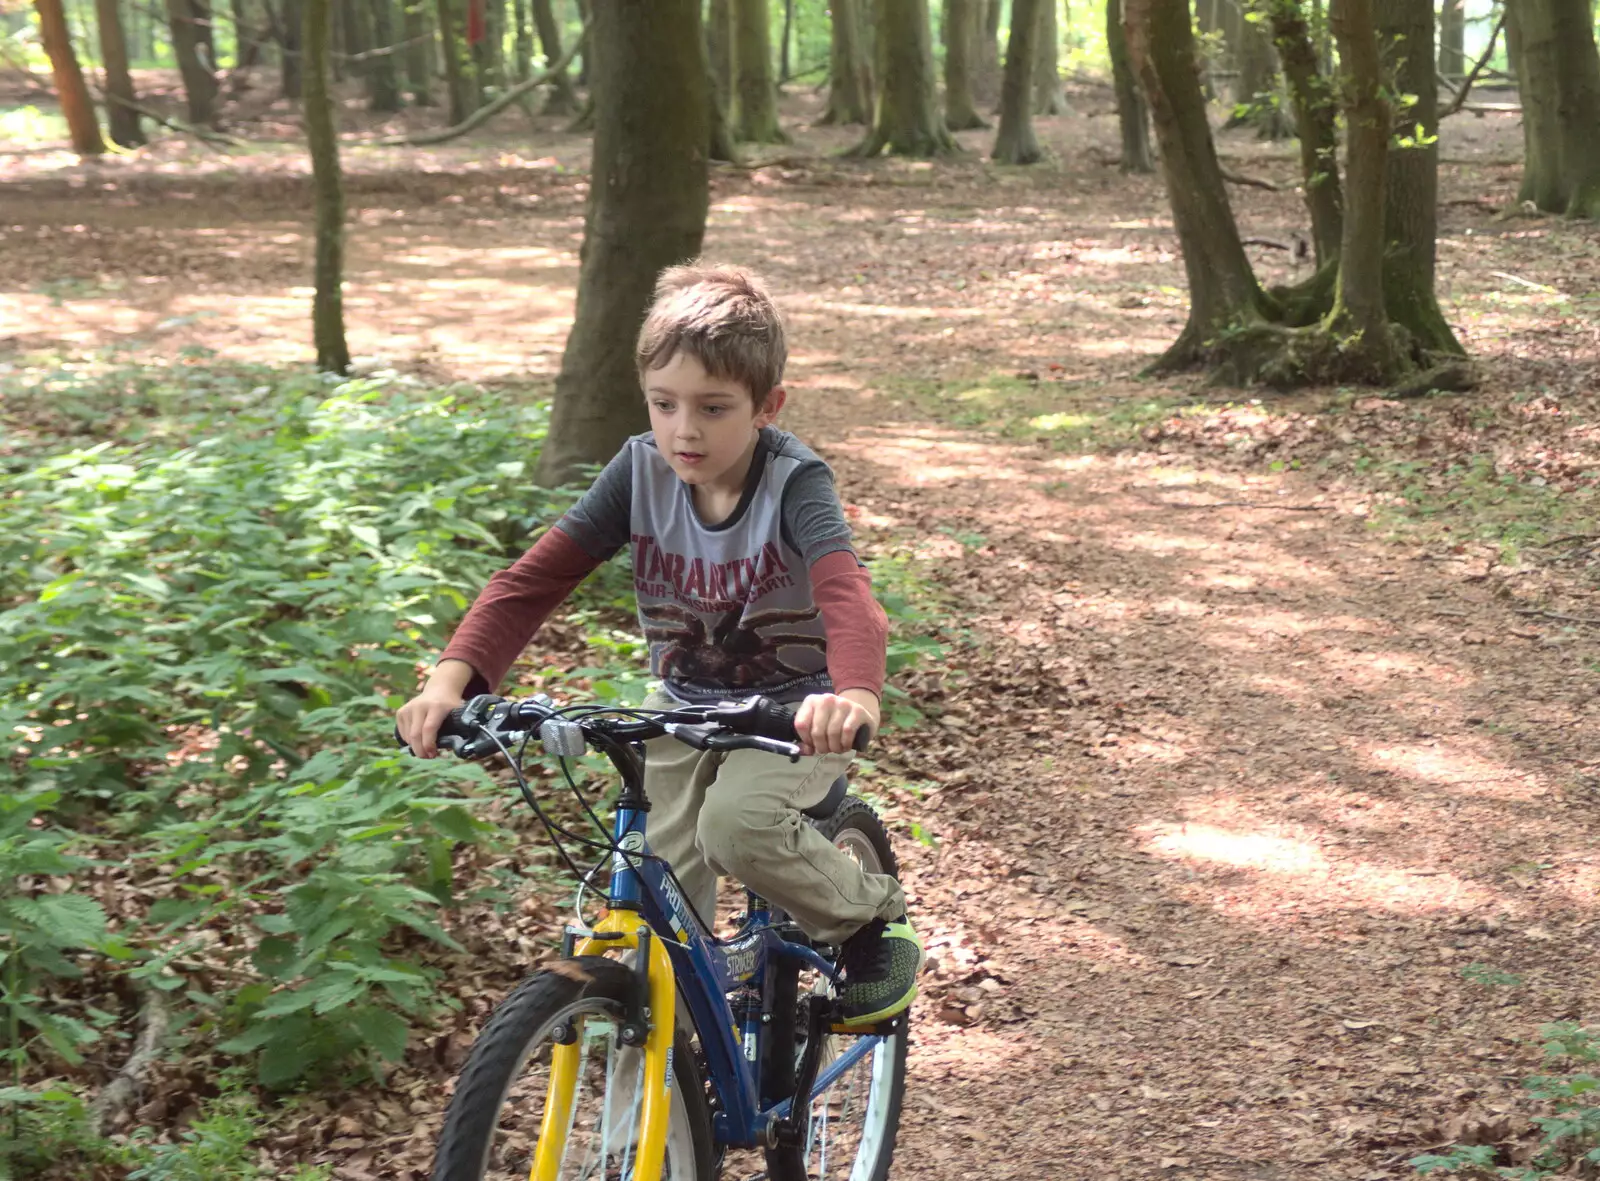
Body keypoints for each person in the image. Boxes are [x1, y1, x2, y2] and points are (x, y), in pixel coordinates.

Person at [395, 261, 923, 1025]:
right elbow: (529, 583)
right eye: (664, 404)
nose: (685, 429)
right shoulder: (639, 471)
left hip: (795, 713)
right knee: (655, 889)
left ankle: (871, 919)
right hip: (682, 706)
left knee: (734, 825)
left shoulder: (792, 481)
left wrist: (853, 696)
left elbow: (846, 592)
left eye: (714, 407)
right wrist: (450, 682)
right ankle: (680, 1079)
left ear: (766, 406)